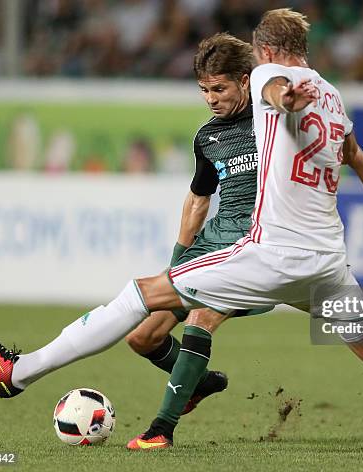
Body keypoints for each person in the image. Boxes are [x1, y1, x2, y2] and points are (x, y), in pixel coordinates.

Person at [0, 9, 363, 457]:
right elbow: (344, 145)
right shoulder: (335, 97)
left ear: (264, 53)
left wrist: (277, 96)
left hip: (273, 253)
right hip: (327, 261)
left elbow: (272, 91)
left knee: (142, 295)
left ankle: (18, 374)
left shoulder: (270, 75)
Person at [124, 32, 274, 417]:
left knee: (200, 314)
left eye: (219, 88)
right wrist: (178, 259)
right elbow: (198, 199)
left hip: (260, 247)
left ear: (244, 80)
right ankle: (199, 381)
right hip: (215, 242)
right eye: (204, 90)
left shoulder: (273, 121)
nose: (211, 99)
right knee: (142, 337)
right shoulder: (208, 137)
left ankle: (161, 429)